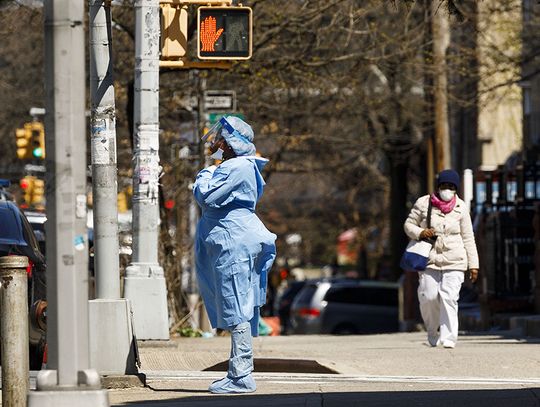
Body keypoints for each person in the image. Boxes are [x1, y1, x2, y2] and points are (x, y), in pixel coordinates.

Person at [193, 116, 277, 394]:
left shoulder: (239, 166)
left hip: (234, 241)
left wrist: (204, 175)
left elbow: (207, 196)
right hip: (229, 240)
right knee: (234, 302)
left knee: (237, 304)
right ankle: (238, 373)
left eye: (219, 139)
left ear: (230, 144)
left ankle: (241, 375)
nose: (214, 143)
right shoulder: (231, 166)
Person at [404, 169, 479, 348]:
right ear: (438, 187)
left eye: (451, 186)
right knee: (429, 297)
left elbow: (468, 237)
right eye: (444, 186)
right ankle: (432, 330)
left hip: (455, 260)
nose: (447, 189)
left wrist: (473, 265)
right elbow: (408, 225)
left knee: (449, 296)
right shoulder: (423, 203)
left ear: (456, 189)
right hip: (429, 259)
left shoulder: (461, 208)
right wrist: (421, 232)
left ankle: (449, 337)